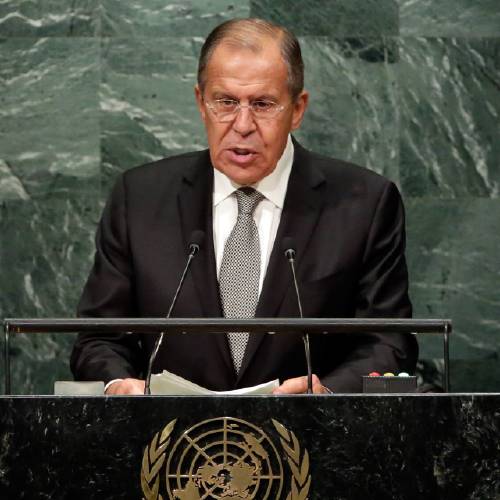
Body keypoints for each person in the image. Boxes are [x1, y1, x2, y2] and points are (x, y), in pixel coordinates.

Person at [70, 18, 418, 395]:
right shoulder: (139, 197)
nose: (242, 124)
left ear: (297, 109)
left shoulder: (363, 203)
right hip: (170, 443)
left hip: (313, 440)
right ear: (200, 103)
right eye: (225, 102)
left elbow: (390, 342)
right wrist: (120, 383)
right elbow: (98, 337)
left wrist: (329, 393)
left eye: (263, 104)